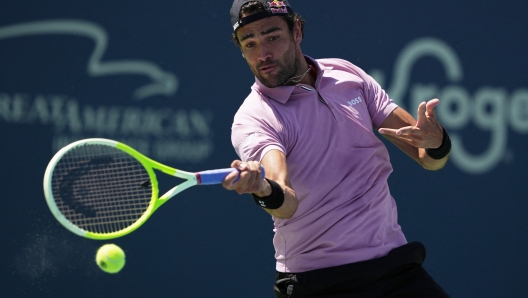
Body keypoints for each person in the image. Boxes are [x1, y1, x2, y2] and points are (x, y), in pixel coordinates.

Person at [222, 1, 452, 297]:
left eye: (272, 37)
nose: (263, 54)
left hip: (394, 268)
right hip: (319, 282)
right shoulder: (253, 118)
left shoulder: (346, 75)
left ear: (297, 31)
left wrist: (437, 142)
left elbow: (429, 160)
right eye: (249, 43)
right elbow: (286, 200)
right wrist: (264, 190)